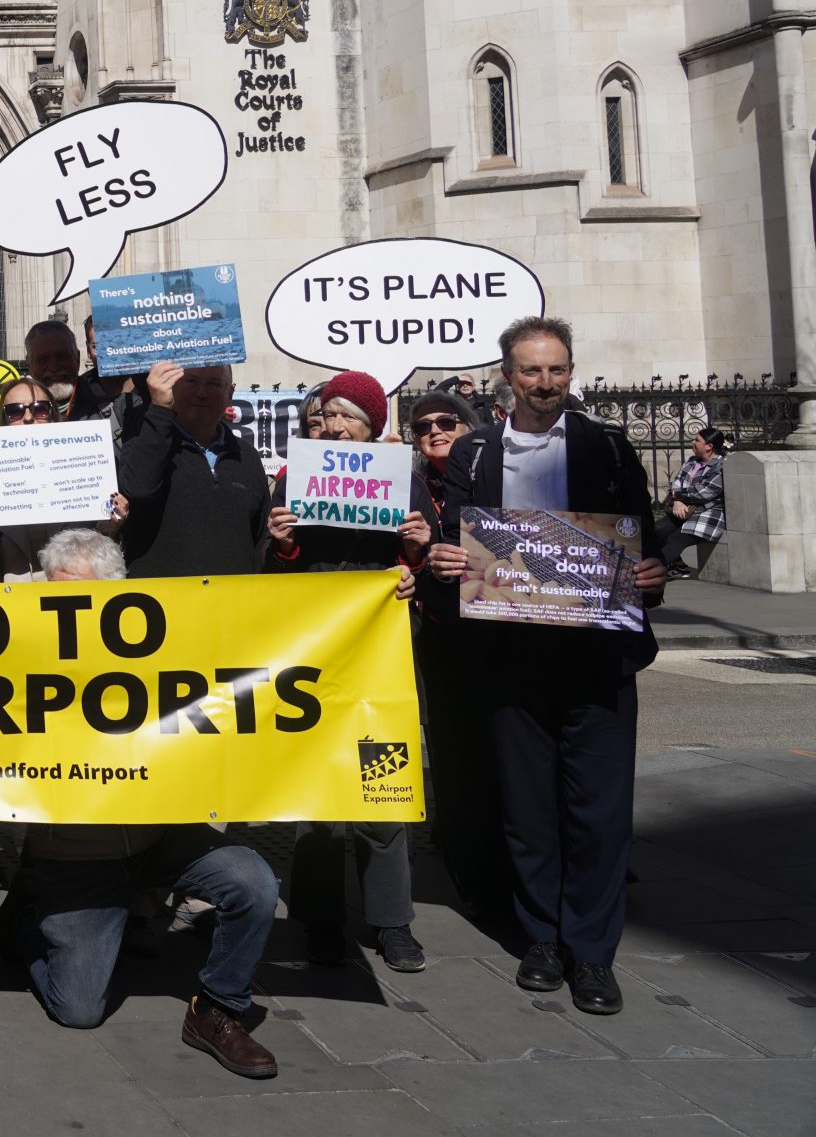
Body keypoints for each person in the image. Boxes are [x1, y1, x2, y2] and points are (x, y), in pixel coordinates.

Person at [426, 316, 666, 1016]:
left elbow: (641, 536)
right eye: (531, 370)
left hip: (595, 654)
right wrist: (445, 561)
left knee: (597, 810)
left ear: (570, 370)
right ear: (507, 374)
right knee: (527, 806)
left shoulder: (609, 446)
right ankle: (540, 937)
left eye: (556, 369)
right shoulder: (474, 452)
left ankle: (591, 953)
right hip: (510, 654)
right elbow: (455, 541)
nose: (545, 383)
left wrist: (653, 570)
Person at [261, 372, 425, 975]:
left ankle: (392, 921)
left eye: (349, 416)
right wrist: (281, 546)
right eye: (328, 414)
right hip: (313, 649)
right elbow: (267, 569)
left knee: (383, 781)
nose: (334, 425)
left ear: (372, 425)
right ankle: (321, 921)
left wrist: (414, 559)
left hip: (378, 646)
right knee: (320, 794)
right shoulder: (290, 477)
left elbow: (425, 560)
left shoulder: (401, 477)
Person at [0, 810, 281, 1078]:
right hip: (76, 852)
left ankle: (217, 1008)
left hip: (158, 835)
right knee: (78, 1011)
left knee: (253, 884)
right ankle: (27, 916)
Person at [397, 390, 508, 922]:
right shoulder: (410, 485)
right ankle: (465, 848)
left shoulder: (496, 474)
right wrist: (418, 553)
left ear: (469, 427)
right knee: (450, 746)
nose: (437, 432)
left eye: (448, 422)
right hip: (440, 634)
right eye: (424, 427)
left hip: (503, 637)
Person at [0, 378, 130, 580]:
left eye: (40, 409)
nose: (28, 417)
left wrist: (111, 525)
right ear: (3, 421)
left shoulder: (87, 470)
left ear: (53, 416)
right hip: (15, 603)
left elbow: (107, 564)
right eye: (15, 411)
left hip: (73, 599)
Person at [115, 362, 272, 577]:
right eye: (191, 381)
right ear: (173, 387)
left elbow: (260, 539)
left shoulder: (247, 456)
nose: (202, 393)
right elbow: (137, 489)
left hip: (235, 604)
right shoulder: (144, 443)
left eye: (214, 384)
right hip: (163, 605)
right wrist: (160, 409)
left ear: (230, 393)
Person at [664, 428, 727, 579]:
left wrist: (677, 495)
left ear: (709, 446)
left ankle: (652, 570)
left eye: (697, 440)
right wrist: (678, 501)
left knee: (676, 539)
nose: (693, 442)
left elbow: (705, 492)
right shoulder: (692, 461)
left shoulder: (722, 465)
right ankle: (678, 567)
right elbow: (677, 481)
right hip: (685, 509)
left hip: (708, 514)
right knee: (656, 531)